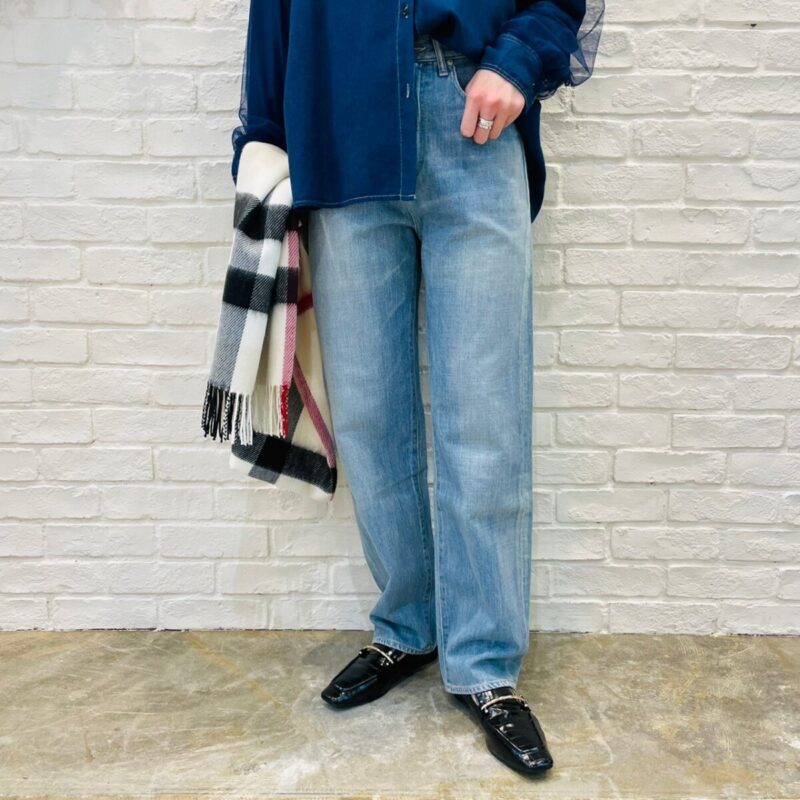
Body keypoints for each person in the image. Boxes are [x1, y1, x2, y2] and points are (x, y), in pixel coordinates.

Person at [231, 0, 604, 777]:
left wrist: (515, 61)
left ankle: (485, 663)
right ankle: (406, 627)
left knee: (485, 415)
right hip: (341, 128)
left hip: (473, 120)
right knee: (370, 415)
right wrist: (262, 137)